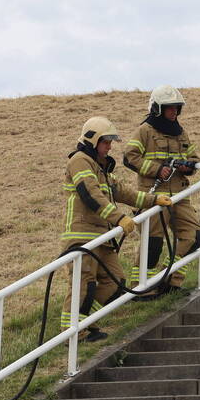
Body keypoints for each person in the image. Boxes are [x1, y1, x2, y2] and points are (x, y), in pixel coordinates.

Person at [60, 116, 172, 340]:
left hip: (103, 237)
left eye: (110, 142)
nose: (109, 147)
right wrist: (119, 217)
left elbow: (124, 192)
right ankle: (72, 332)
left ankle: (84, 323)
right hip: (82, 237)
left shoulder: (100, 168)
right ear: (92, 140)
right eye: (106, 142)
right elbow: (90, 194)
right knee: (84, 284)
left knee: (116, 282)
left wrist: (154, 200)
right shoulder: (80, 161)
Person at [123, 85, 200, 295]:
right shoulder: (145, 131)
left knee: (194, 236)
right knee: (153, 244)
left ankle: (170, 280)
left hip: (180, 196)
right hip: (154, 197)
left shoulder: (181, 133)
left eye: (177, 108)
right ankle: (141, 288)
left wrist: (189, 166)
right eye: (170, 108)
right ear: (157, 108)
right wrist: (157, 170)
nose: (174, 112)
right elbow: (129, 157)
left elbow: (194, 158)